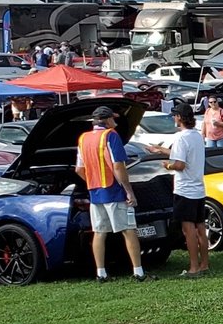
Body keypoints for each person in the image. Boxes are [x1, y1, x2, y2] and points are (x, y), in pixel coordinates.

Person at [75, 106, 143, 283]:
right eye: (113, 118)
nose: (115, 121)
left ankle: (101, 273)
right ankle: (138, 272)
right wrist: (129, 190)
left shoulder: (83, 138)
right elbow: (118, 166)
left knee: (99, 232)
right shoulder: (110, 135)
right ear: (106, 120)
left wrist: (93, 180)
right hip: (113, 190)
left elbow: (79, 169)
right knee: (128, 230)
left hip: (95, 192)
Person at [159, 100, 210, 278]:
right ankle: (204, 264)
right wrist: (161, 150)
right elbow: (184, 154)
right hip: (198, 189)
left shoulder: (180, 137)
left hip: (185, 190)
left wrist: (168, 166)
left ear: (180, 118)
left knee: (188, 231)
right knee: (201, 229)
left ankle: (193, 268)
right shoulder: (196, 136)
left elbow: (180, 164)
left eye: (175, 115)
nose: (173, 117)